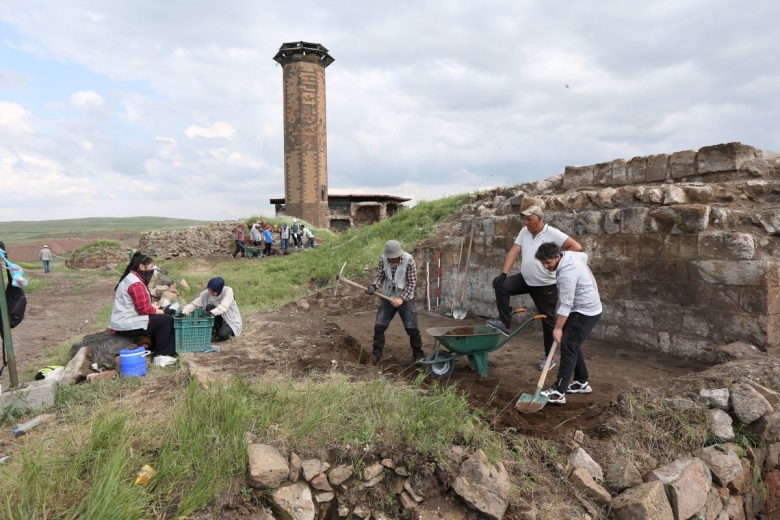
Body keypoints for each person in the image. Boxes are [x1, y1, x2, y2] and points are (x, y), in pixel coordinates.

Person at [487, 205, 581, 371]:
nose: (526, 222)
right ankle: (505, 323)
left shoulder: (552, 233)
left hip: (545, 285)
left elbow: (576, 247)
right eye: (525, 219)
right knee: (501, 286)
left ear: (539, 219)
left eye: (529, 219)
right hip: (525, 279)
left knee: (548, 321)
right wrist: (504, 274)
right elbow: (514, 251)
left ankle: (548, 357)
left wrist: (559, 263)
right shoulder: (524, 232)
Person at [534, 242, 602, 405]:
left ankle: (559, 391)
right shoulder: (569, 255)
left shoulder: (566, 274)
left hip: (585, 311)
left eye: (548, 263)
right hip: (584, 307)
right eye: (542, 263)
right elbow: (584, 256)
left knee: (568, 347)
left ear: (558, 257)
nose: (545, 266)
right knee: (571, 344)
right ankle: (581, 381)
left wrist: (557, 328)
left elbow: (566, 304)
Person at [109, 252, 176, 359]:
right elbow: (144, 309)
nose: (152, 270)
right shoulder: (136, 284)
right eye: (150, 268)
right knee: (166, 320)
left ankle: (154, 347)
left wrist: (159, 308)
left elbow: (143, 304)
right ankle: (163, 355)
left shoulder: (131, 277)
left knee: (160, 317)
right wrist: (164, 311)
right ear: (141, 266)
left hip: (122, 319)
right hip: (125, 324)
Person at [366, 240, 424, 363]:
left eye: (394, 258)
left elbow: (412, 282)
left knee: (411, 327)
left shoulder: (409, 260)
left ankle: (418, 354)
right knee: (379, 326)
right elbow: (380, 276)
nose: (392, 261)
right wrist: (374, 286)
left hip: (405, 297)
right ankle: (376, 353)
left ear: (399, 254)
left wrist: (401, 298)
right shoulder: (383, 259)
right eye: (390, 258)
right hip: (388, 296)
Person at [181, 277, 243, 341]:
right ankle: (215, 329)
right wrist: (184, 312)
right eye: (209, 291)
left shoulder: (228, 291)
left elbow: (223, 307)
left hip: (231, 321)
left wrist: (209, 313)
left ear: (219, 290)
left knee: (222, 335)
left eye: (213, 292)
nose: (210, 294)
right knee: (209, 307)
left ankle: (224, 332)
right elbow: (194, 304)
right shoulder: (207, 294)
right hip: (219, 319)